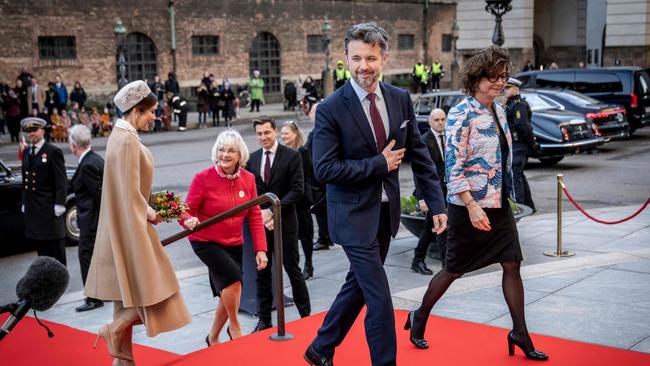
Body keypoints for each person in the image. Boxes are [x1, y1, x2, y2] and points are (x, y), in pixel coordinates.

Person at [305, 22, 447, 366]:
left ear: (384, 56)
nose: (363, 66)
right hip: (351, 216)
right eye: (355, 58)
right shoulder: (330, 108)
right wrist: (377, 164)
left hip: (386, 214)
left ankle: (320, 348)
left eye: (370, 58)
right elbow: (324, 170)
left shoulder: (399, 99)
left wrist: (437, 203)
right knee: (380, 297)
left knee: (358, 285)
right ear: (345, 58)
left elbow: (419, 153)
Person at [405, 46, 548, 361]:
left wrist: (506, 195)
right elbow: (453, 166)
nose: (499, 83)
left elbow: (503, 157)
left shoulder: (498, 109)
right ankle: (420, 315)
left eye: (503, 77)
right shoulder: (460, 113)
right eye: (492, 78)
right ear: (476, 78)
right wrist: (471, 204)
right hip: (467, 206)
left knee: (512, 263)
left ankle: (519, 332)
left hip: (497, 205)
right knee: (453, 269)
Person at [85, 80, 191, 366]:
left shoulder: (118, 135)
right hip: (131, 228)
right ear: (135, 110)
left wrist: (154, 206)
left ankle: (123, 361)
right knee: (158, 288)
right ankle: (113, 330)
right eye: (151, 112)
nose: (154, 117)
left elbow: (127, 188)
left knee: (127, 295)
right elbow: (131, 191)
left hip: (121, 225)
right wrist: (153, 214)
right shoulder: (128, 140)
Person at [180, 129, 268, 345]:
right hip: (205, 240)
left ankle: (212, 337)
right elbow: (185, 210)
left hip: (234, 242)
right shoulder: (203, 178)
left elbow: (255, 215)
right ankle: (235, 326)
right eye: (221, 149)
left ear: (240, 155)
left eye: (230, 151)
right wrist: (188, 220)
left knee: (227, 290)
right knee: (234, 281)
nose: (225, 154)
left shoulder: (248, 179)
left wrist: (261, 249)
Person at [246, 117, 311, 331]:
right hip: (261, 225)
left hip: (286, 223)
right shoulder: (252, 159)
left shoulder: (292, 156)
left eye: (267, 132)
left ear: (274, 131)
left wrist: (273, 212)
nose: (263, 137)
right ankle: (264, 320)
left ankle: (306, 316)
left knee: (292, 269)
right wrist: (262, 214)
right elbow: (251, 192)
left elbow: (297, 189)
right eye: (259, 134)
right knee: (262, 272)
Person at [19, 117, 68, 265]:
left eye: (34, 130)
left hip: (49, 210)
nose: (31, 134)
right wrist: (24, 201)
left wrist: (59, 204)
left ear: (43, 131)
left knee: (54, 253)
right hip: (34, 210)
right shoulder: (27, 151)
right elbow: (25, 179)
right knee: (41, 254)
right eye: (28, 131)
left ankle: (59, 281)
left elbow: (61, 180)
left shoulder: (53, 152)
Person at [68, 124, 105, 312]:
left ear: (74, 145)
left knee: (86, 257)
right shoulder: (94, 159)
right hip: (93, 220)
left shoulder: (89, 164)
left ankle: (93, 297)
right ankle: (98, 294)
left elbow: (99, 196)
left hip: (91, 221)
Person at [412, 108, 448, 274]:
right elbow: (418, 172)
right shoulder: (424, 141)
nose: (440, 122)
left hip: (446, 191)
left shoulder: (448, 137)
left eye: (443, 119)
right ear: (429, 122)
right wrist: (422, 198)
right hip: (431, 193)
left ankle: (417, 259)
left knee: (430, 227)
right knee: (440, 226)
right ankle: (446, 266)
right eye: (436, 120)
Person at [280, 120, 314, 279]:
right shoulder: (282, 152)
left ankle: (309, 263)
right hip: (287, 198)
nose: (283, 136)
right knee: (291, 236)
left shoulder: (303, 151)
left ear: (295, 134)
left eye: (286, 133)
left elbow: (308, 174)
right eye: (282, 134)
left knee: (305, 234)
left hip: (301, 200)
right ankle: (296, 266)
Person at [504, 77, 538, 211]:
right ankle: (529, 206)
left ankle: (521, 207)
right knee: (519, 175)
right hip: (514, 145)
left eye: (507, 88)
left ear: (515, 89)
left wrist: (532, 145)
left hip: (519, 145)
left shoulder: (518, 104)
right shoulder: (511, 103)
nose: (504, 91)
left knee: (515, 177)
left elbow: (524, 126)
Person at [305, 103, 333, 252]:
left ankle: (324, 239)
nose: (311, 114)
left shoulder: (320, 132)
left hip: (320, 180)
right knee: (322, 211)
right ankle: (326, 237)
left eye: (314, 111)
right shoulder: (315, 132)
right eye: (311, 111)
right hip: (316, 180)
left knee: (321, 211)